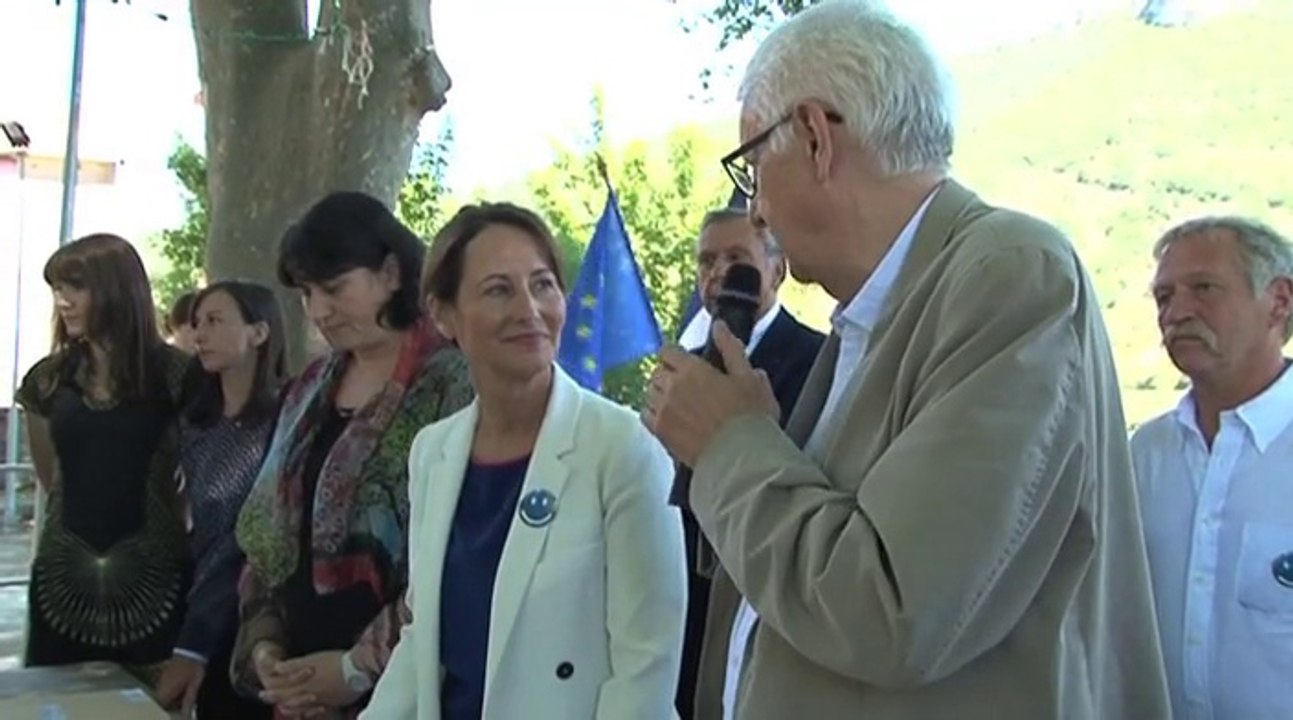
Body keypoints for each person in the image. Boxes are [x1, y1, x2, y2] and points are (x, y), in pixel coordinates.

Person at [641, 2, 1171, 718]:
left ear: (814, 137)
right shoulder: (873, 318)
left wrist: (729, 446)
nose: (755, 208)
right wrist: (752, 440)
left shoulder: (1010, 275)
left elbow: (894, 611)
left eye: (753, 167)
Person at [361, 202, 687, 720]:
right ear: (444, 315)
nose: (529, 310)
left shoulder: (623, 446)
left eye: (543, 285)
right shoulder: (432, 452)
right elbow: (423, 639)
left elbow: (646, 666)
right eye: (498, 290)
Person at [231, 192, 475, 720]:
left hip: (407, 690)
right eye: (307, 293)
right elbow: (264, 543)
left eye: (334, 288)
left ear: (391, 273)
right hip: (294, 687)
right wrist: (267, 650)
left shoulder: (457, 385)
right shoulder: (307, 390)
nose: (319, 311)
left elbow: (464, 559)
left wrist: (353, 669)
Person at [1131, 216, 1293, 720]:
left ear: (1279, 302)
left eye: (1203, 288)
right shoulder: (1144, 455)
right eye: (1164, 298)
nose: (1177, 313)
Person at [16, 233, 194, 677]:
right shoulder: (46, 381)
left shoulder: (178, 376)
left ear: (117, 289)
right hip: (63, 579)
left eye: (76, 287)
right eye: (57, 289)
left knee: (151, 701)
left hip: (156, 578)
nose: (63, 301)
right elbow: (53, 479)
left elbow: (196, 479)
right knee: (56, 700)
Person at [673, 208, 823, 718]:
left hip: (764, 586)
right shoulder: (685, 363)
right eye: (707, 261)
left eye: (737, 258)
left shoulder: (819, 357)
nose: (719, 273)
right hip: (681, 592)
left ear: (777, 270)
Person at [154, 281, 287, 719]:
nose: (200, 335)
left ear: (259, 332)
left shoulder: (288, 418)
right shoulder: (195, 423)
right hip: (197, 598)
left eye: (214, 321)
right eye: (196, 323)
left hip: (259, 612)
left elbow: (247, 531)